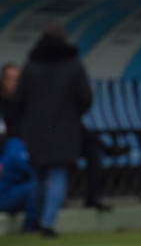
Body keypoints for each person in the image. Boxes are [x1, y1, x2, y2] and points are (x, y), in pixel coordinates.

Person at [13, 23, 93, 237]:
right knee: (58, 176)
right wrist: (71, 115)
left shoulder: (31, 65)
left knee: (38, 177)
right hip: (64, 129)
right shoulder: (73, 65)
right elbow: (85, 98)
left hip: (37, 129)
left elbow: (19, 99)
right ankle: (48, 223)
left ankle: (33, 221)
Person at [0, 137, 38, 230]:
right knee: (34, 187)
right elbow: (30, 169)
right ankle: (30, 226)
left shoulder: (11, 148)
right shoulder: (15, 147)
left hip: (8, 194)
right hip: (4, 196)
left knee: (35, 186)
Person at [0, 62, 21, 143]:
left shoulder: (22, 103)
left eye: (16, 80)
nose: (13, 83)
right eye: (10, 79)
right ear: (3, 80)